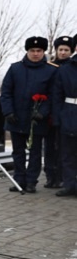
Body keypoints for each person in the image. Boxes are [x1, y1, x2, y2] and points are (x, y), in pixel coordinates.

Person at [0, 36, 58, 193]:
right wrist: (8, 111)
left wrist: (43, 112)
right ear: (27, 51)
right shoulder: (15, 68)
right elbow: (6, 92)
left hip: (37, 120)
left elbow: (53, 95)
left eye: (39, 51)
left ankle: (31, 181)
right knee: (17, 151)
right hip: (16, 117)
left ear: (44, 52)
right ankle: (19, 180)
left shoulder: (51, 70)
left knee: (35, 152)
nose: (35, 54)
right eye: (32, 50)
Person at [44, 35, 74, 189]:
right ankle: (51, 176)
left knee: (64, 148)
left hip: (67, 112)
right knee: (50, 146)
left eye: (66, 50)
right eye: (60, 49)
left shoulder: (71, 67)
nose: (63, 52)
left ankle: (63, 177)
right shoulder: (49, 66)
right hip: (49, 111)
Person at [52, 42, 77, 197]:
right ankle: (70, 185)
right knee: (68, 153)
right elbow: (57, 95)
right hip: (70, 113)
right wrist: (58, 118)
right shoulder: (66, 69)